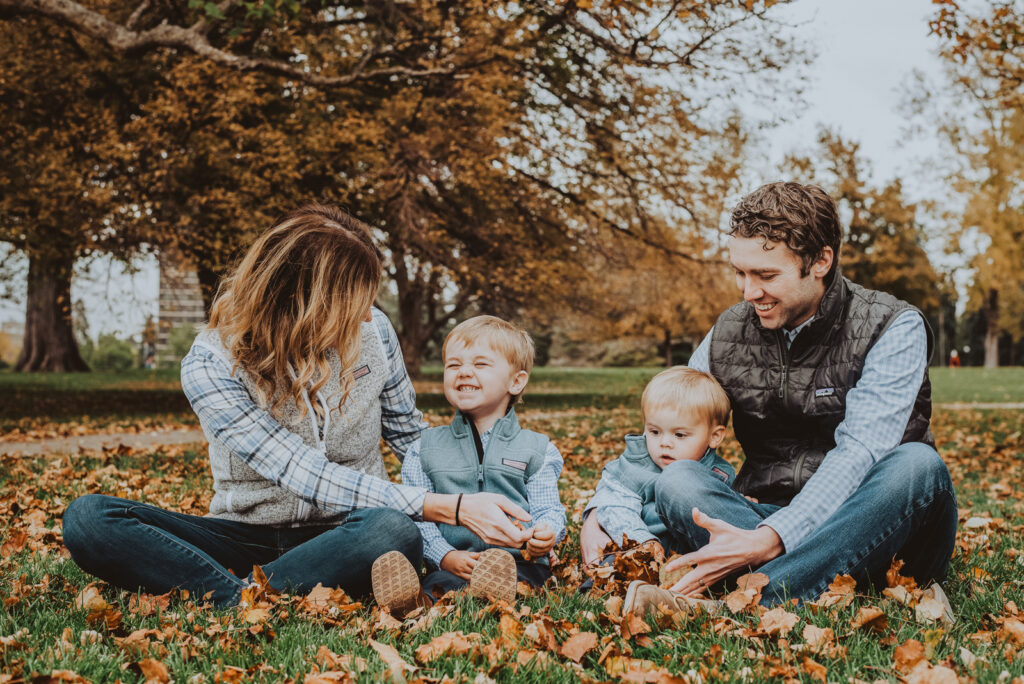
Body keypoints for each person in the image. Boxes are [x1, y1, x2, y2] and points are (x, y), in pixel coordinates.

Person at [61, 204, 532, 606]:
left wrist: (482, 496)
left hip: (349, 532)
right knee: (89, 519)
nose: (368, 314)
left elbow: (410, 437)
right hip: (240, 536)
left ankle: (232, 595)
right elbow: (301, 472)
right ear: (308, 302)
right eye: (356, 300)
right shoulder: (211, 363)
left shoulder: (375, 333)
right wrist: (447, 507)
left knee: (392, 531)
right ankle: (243, 597)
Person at [582, 182, 958, 613]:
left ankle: (745, 600)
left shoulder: (893, 326)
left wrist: (770, 539)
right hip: (758, 515)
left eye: (765, 276)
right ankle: (802, 579)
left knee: (916, 466)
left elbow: (861, 453)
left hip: (876, 526)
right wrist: (601, 509)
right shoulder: (729, 331)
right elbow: (671, 417)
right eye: (740, 273)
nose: (748, 292)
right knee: (678, 479)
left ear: (820, 261)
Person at [374, 316, 567, 613]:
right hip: (455, 564)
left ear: (516, 381)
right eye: (454, 365)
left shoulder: (538, 449)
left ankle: (491, 591)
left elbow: (548, 510)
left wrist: (546, 534)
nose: (464, 372)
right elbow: (419, 517)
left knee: (517, 577)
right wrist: (445, 555)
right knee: (440, 584)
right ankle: (409, 601)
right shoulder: (424, 450)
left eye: (480, 364)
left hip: (519, 563)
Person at [585, 366, 734, 560]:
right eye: (655, 432)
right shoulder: (635, 467)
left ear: (714, 436)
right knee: (613, 562)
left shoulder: (720, 473)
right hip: (637, 550)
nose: (664, 443)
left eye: (679, 435)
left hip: (692, 554)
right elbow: (616, 508)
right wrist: (642, 541)